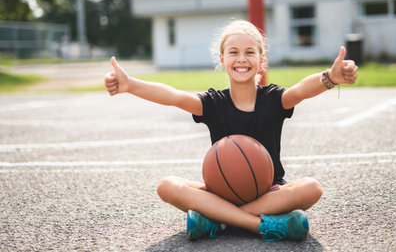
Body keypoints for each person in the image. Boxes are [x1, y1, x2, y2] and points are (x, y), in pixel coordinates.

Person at [104, 19, 358, 242]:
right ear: (222, 59)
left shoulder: (273, 99)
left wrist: (330, 78)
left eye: (250, 52)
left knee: (312, 188)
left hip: (267, 191)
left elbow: (301, 89)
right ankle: (262, 225)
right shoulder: (214, 104)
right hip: (222, 192)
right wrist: (131, 84)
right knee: (166, 186)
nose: (241, 59)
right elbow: (173, 96)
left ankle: (217, 220)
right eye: (233, 52)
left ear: (261, 60)